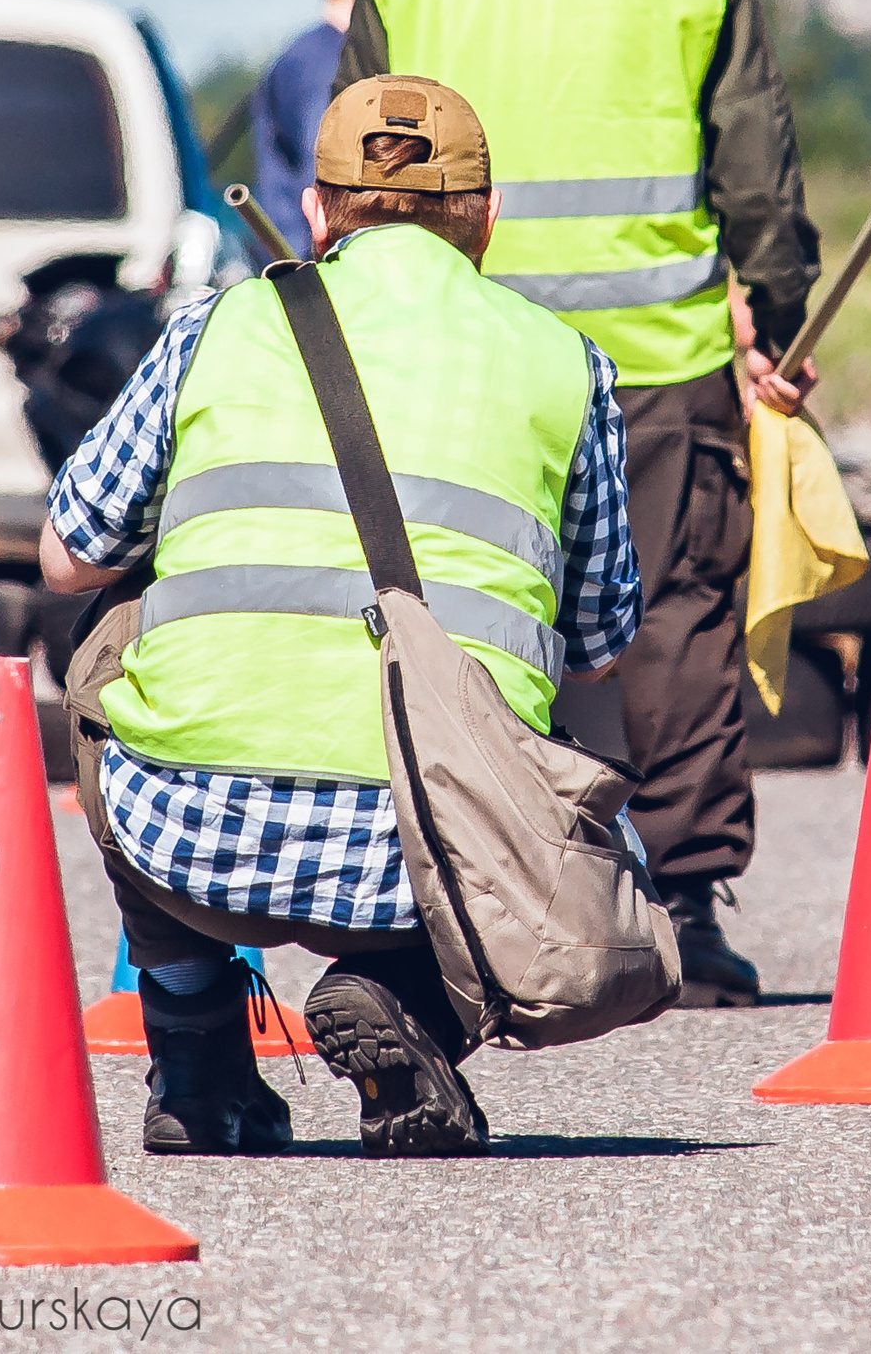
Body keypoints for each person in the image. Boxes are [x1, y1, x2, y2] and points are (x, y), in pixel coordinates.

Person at [332, 0, 821, 1006]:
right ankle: (689, 907)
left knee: (459, 610)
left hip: (455, 347)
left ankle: (448, 893)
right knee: (670, 618)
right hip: (653, 349)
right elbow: (753, 152)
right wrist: (776, 313)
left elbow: (370, 147)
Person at [41, 75, 641, 1158]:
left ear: (317, 210)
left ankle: (196, 1055)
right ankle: (400, 989)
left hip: (189, 830)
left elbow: (67, 552)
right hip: (448, 850)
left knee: (106, 642)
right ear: (487, 217)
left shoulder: (214, 325)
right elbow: (600, 645)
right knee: (553, 723)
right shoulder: (568, 361)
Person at [247, 0, 364, 254]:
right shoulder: (333, 61)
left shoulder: (305, 53)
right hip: (316, 259)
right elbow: (325, 167)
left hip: (291, 248)